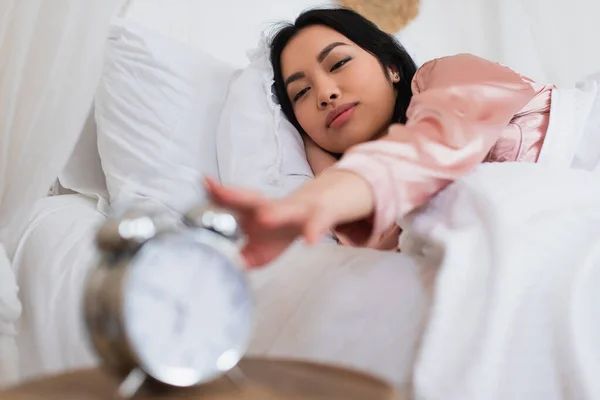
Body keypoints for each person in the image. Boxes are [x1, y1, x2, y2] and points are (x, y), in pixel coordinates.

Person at [204, 7, 554, 268]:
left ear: (392, 67)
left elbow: (430, 149)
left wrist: (309, 203)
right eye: (301, 93)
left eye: (338, 63)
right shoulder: (361, 222)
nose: (324, 93)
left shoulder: (450, 75)